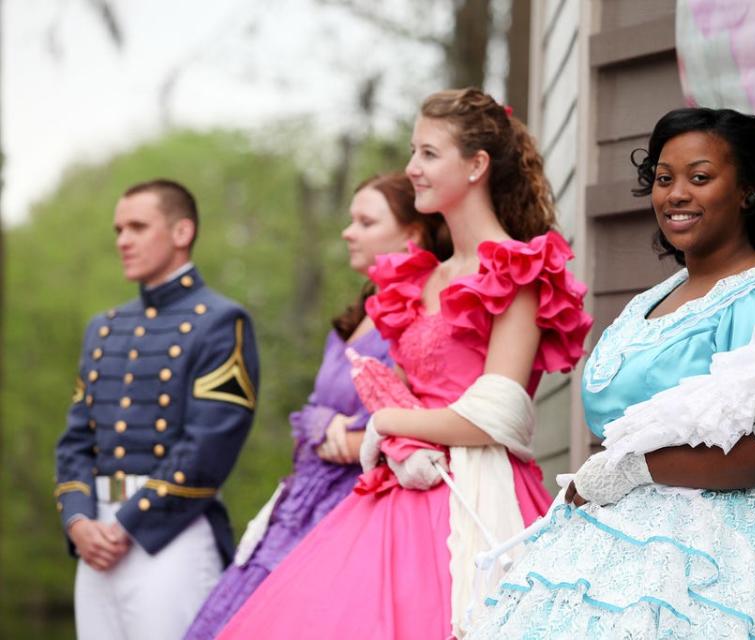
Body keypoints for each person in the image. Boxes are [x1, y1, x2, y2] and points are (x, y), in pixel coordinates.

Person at [470, 108, 755, 638]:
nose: (676, 194)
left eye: (699, 178)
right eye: (663, 179)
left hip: (735, 553)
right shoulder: (649, 303)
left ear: (747, 189)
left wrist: (637, 469)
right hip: (617, 546)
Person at [217, 88, 593, 639]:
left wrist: (388, 421)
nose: (412, 168)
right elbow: (414, 384)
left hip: (475, 498)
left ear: (476, 166)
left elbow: (500, 414)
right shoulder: (422, 279)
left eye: (428, 154)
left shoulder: (519, 272)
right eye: (413, 152)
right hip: (394, 490)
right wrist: (389, 403)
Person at [184, 171, 452, 640]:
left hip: (354, 505)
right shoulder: (356, 317)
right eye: (351, 220)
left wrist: (345, 436)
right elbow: (311, 413)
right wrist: (325, 425)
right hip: (299, 500)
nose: (348, 232)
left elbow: (410, 422)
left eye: (366, 222)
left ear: (413, 233)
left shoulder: (421, 314)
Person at [53, 179, 261, 640]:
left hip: (171, 536)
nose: (122, 240)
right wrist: (78, 520)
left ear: (182, 231)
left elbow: (209, 445)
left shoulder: (221, 322)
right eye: (118, 229)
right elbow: (75, 442)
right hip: (95, 539)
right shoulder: (103, 329)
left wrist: (129, 524)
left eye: (137, 227)